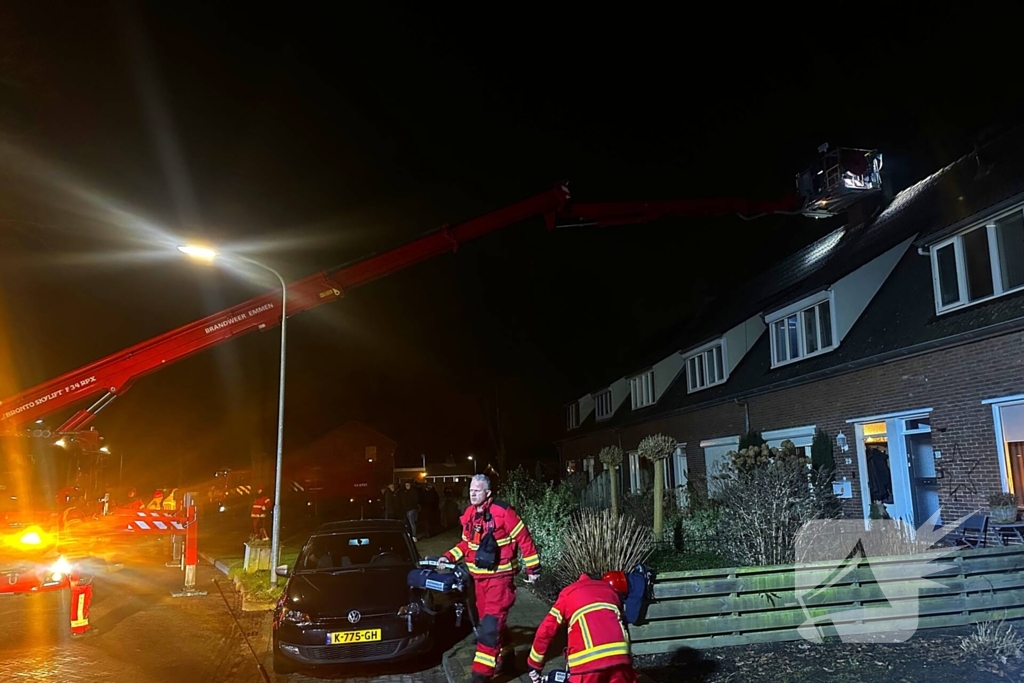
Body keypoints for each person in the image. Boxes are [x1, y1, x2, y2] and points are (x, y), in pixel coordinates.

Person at [439, 473, 541, 682]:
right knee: (490, 622)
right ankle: (508, 656)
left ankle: (481, 675)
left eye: (477, 490)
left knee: (489, 629)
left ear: (488, 492)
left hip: (500, 580)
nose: (472, 493)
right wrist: (447, 557)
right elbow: (466, 544)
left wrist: (533, 569)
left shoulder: (504, 512)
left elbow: (524, 539)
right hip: (479, 581)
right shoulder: (469, 514)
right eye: (470, 490)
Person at [527, 571, 637, 683]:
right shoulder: (611, 591)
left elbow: (546, 630)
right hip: (621, 660)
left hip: (586, 664)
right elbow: (622, 625)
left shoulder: (568, 593)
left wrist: (534, 663)